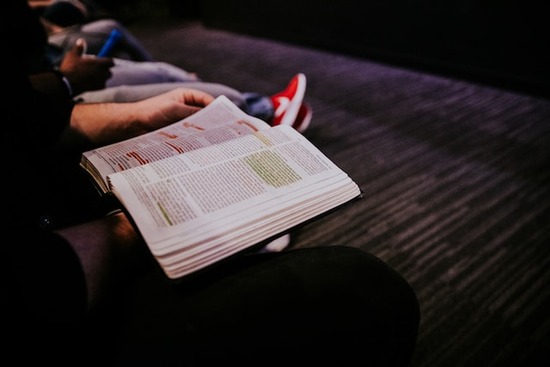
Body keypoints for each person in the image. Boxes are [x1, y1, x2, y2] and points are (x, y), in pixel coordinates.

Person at [2, 1, 420, 365]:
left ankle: (263, 125)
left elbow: (17, 109)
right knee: (366, 292)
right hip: (60, 300)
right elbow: (38, 285)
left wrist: (136, 116)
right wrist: (144, 223)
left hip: (50, 196)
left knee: (189, 95)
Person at [28, 0, 313, 132]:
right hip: (50, 87)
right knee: (217, 100)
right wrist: (64, 81)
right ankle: (262, 112)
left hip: (49, 64)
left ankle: (261, 110)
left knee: (174, 80)